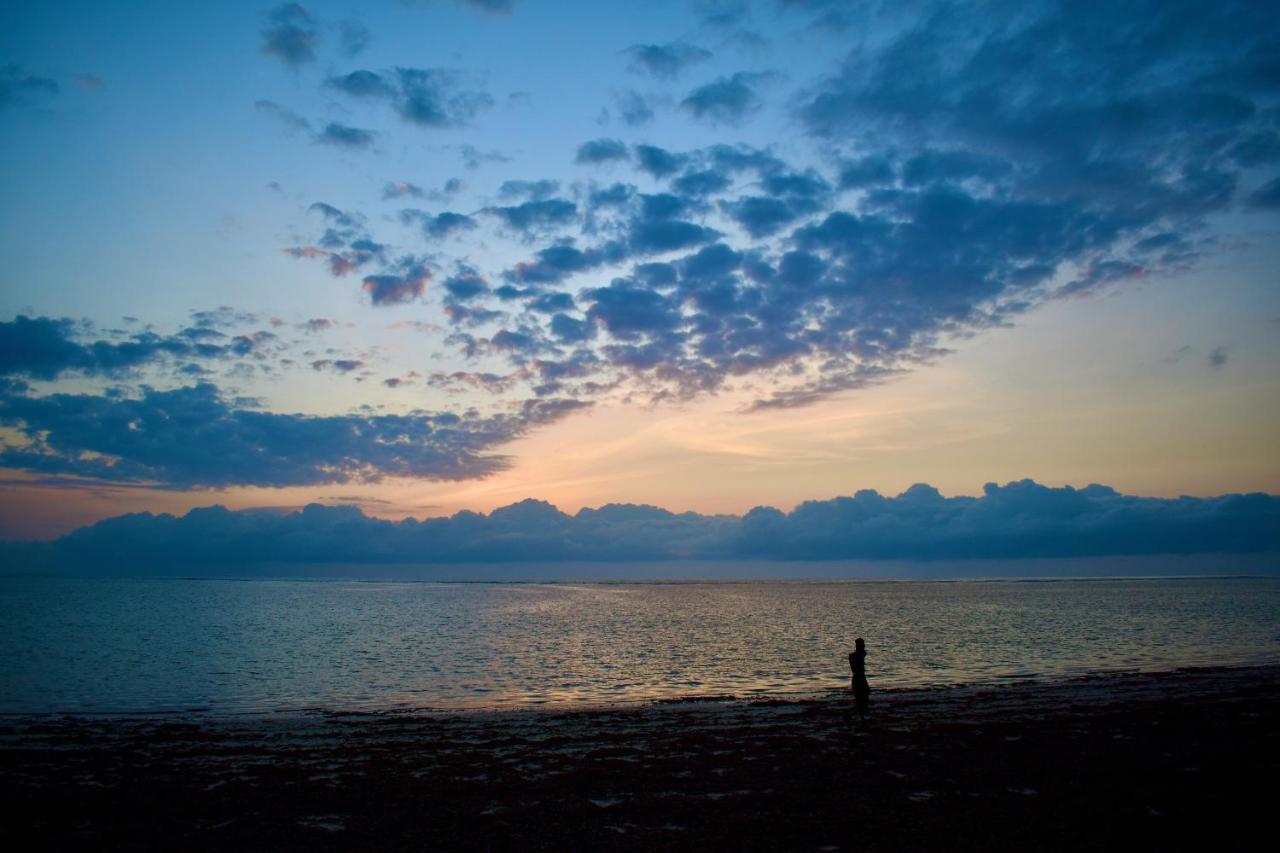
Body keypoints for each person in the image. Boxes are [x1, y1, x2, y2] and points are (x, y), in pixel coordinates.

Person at [849, 637, 870, 723]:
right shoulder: (855, 655)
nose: (864, 646)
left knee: (862, 700)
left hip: (860, 678)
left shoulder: (858, 654)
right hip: (858, 679)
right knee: (862, 700)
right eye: (863, 645)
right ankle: (852, 716)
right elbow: (855, 669)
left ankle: (860, 717)